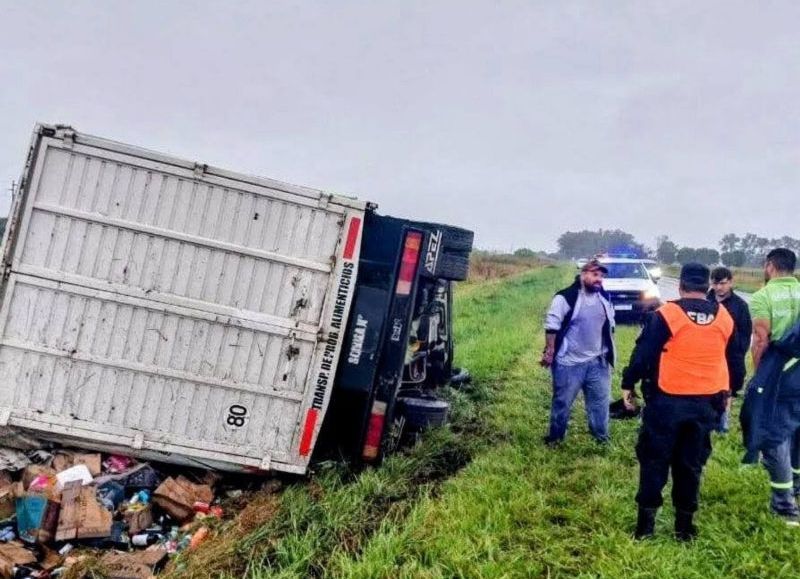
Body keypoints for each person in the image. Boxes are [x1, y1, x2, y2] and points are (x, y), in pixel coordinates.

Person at [621, 263, 733, 540]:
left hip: (666, 403)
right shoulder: (724, 317)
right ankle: (684, 528)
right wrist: (728, 394)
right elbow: (730, 359)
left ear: (681, 285)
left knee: (654, 461)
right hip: (705, 404)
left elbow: (643, 355)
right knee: (690, 465)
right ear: (706, 287)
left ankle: (645, 529)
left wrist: (628, 383)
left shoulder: (666, 314)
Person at [749, 248, 800, 524]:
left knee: (776, 435)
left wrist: (759, 378)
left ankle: (785, 506)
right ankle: (798, 487)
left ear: (769, 266)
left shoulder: (763, 297)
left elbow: (761, 339)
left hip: (781, 377)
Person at [541, 259, 616, 445]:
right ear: (583, 275)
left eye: (601, 276)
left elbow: (609, 327)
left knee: (600, 403)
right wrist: (550, 351)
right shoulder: (565, 297)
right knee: (562, 403)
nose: (599, 279)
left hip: (598, 362)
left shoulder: (604, 298)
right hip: (569, 363)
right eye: (594, 274)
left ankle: (601, 438)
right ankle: (555, 438)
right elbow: (552, 326)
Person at [708, 266, 753, 432]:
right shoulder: (705, 302)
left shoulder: (740, 306)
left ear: (730, 283)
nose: (719, 287)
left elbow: (746, 333)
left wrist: (738, 353)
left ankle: (722, 424)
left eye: (723, 283)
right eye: (715, 283)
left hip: (730, 356)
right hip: (708, 354)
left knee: (727, 390)